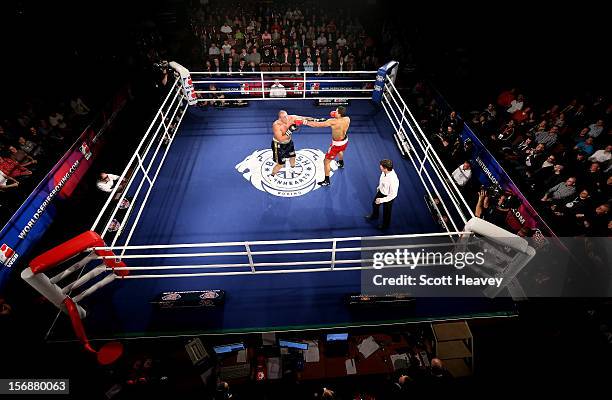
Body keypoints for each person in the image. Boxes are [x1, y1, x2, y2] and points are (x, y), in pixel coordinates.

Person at [303, 106, 350, 186]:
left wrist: (306, 122)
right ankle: (341, 163)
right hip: (345, 140)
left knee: (326, 161)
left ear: (339, 114)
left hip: (336, 144)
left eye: (336, 111)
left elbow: (317, 125)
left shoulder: (333, 121)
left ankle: (327, 180)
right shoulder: (347, 119)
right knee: (341, 151)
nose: (335, 112)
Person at [270, 110, 307, 177]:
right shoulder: (276, 125)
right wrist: (290, 131)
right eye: (284, 117)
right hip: (279, 145)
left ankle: (293, 169)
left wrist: (315, 119)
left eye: (286, 116)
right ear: (280, 118)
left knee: (293, 156)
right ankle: (272, 175)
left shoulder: (291, 118)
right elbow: (280, 139)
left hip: (289, 143)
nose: (286, 118)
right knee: (280, 164)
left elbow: (303, 118)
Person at [365, 159, 400, 230]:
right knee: (374, 204)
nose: (379, 167)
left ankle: (385, 225)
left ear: (386, 168)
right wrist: (379, 187)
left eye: (381, 167)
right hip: (382, 191)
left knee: (386, 212)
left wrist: (381, 200)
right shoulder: (384, 172)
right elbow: (382, 181)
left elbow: (393, 195)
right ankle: (375, 215)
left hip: (388, 197)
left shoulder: (394, 180)